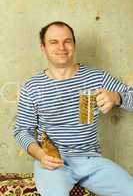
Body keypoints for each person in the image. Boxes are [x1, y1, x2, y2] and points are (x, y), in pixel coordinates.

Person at [13, 21, 133, 196]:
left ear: (74, 45)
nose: (62, 47)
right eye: (54, 42)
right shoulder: (31, 87)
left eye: (67, 41)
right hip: (53, 162)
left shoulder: (96, 77)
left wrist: (117, 97)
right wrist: (40, 155)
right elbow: (22, 130)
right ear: (43, 47)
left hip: (91, 160)